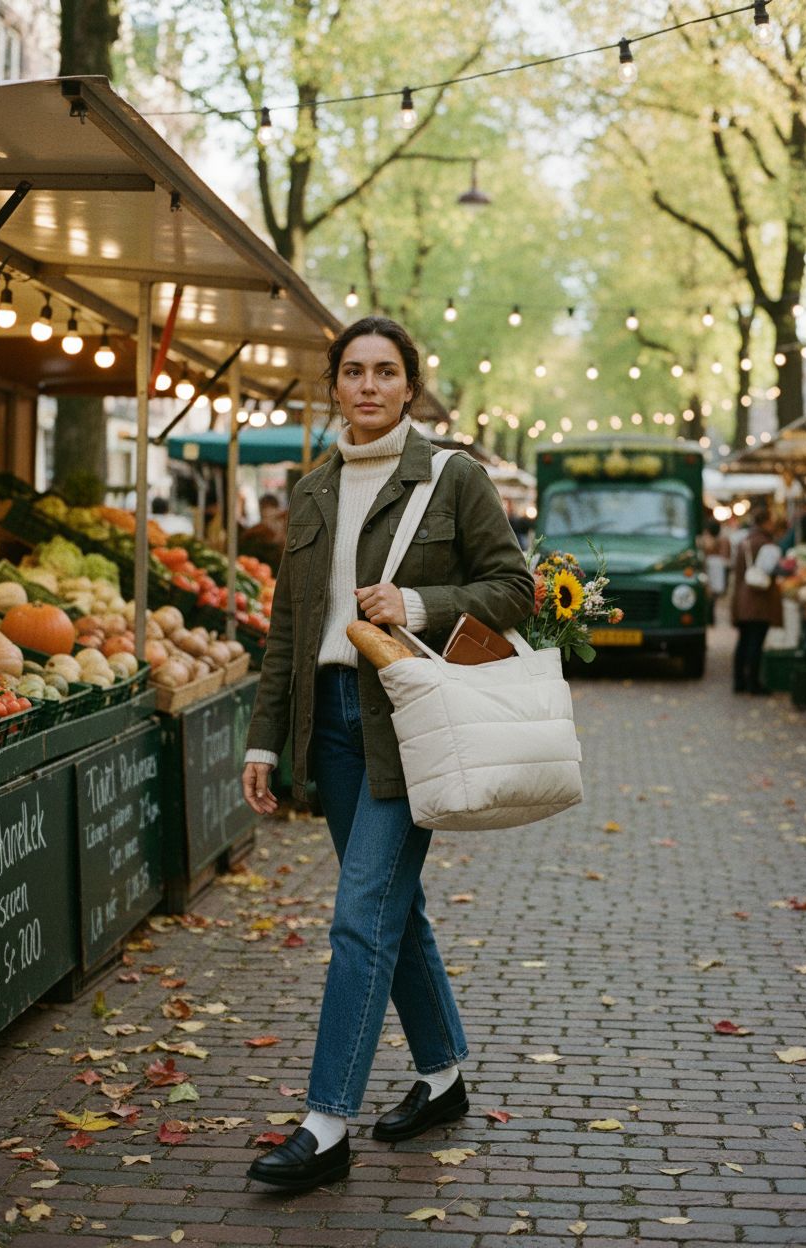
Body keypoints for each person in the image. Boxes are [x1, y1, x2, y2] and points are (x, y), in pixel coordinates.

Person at [240, 317, 535, 1194]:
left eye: (386, 372)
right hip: (330, 724)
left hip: (409, 717)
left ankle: (325, 1123)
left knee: (359, 915)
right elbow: (290, 628)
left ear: (411, 387)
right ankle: (442, 1077)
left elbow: (514, 587)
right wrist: (265, 736)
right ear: (335, 385)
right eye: (353, 372)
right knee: (389, 909)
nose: (368, 386)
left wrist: (416, 600)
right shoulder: (313, 490)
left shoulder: (453, 478)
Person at [730, 504, 783, 695]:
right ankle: (753, 683)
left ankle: (739, 681)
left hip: (743, 597)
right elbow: (771, 570)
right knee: (755, 642)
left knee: (744, 641)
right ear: (766, 522)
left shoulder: (745, 540)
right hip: (759, 598)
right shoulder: (765, 543)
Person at [700, 518, 731, 623]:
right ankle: (711, 618)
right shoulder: (723, 540)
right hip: (718, 569)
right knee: (713, 597)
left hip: (711, 568)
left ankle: (709, 618)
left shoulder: (708, 540)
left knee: (709, 596)